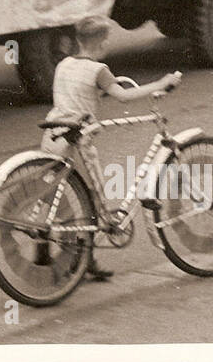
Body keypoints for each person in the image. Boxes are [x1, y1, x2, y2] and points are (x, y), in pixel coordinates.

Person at [40, 15, 181, 282]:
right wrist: (161, 84)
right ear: (103, 43)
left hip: (52, 134)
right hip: (77, 140)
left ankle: (43, 251)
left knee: (52, 192)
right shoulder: (99, 70)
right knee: (94, 199)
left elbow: (75, 93)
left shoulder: (64, 65)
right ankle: (86, 261)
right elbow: (123, 95)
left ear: (77, 39)